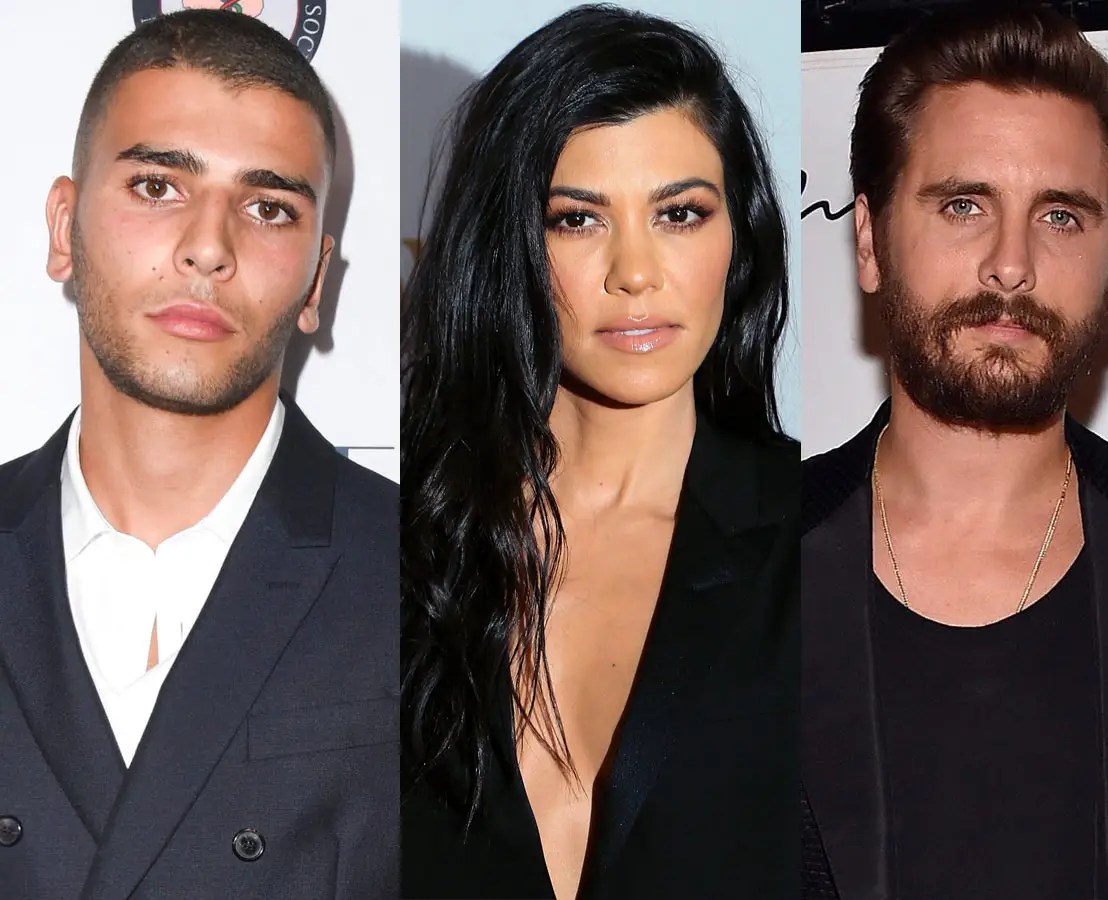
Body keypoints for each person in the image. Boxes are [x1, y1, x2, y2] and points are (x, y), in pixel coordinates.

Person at [401, 5, 801, 897]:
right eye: (577, 220)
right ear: (508, 244)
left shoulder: (823, 537)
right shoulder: (396, 554)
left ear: (738, 237)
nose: (636, 273)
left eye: (680, 214)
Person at [801, 6, 1108, 898]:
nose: (1010, 264)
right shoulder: (726, 568)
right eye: (963, 205)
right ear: (868, 240)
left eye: (1060, 216)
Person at [0, 11, 398, 898]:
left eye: (268, 208)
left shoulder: (430, 575)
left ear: (317, 280)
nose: (209, 249)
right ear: (64, 228)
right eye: (157, 187)